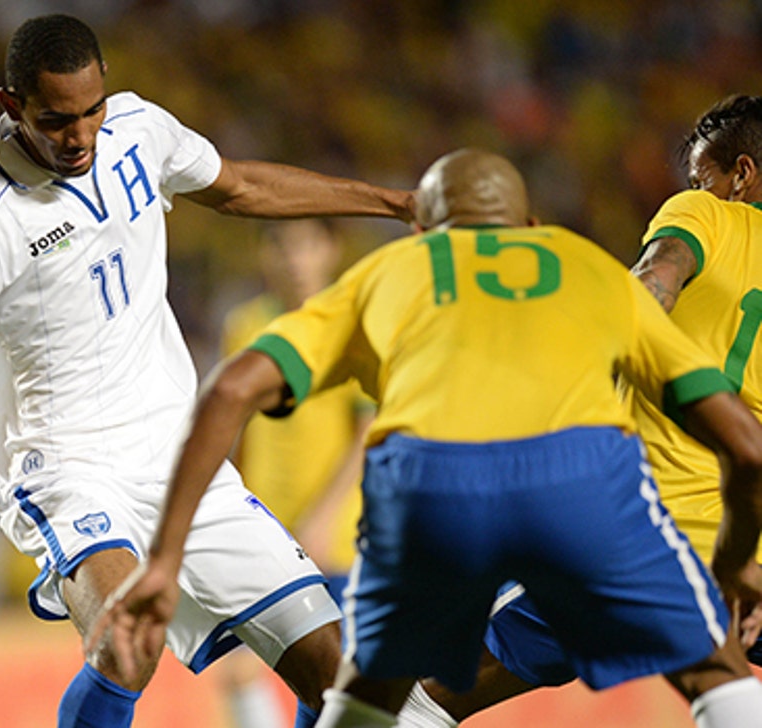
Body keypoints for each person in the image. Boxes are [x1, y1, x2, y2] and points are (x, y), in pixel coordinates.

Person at [90, 148, 762, 728]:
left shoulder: (389, 275)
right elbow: (745, 446)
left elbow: (232, 390)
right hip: (584, 489)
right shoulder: (591, 271)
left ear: (423, 229)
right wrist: (732, 564)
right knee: (715, 666)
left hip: (432, 498)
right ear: (530, 226)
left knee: (381, 697)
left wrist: (167, 557)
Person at [0, 13, 414, 728]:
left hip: (174, 456)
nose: (79, 136)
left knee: (339, 678)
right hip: (63, 463)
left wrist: (392, 203)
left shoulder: (138, 131)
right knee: (125, 641)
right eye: (56, 121)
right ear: (11, 105)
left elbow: (238, 187)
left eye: (91, 111)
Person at [408, 93, 762, 727]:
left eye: (700, 176)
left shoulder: (712, 216)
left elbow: (653, 281)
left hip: (641, 527)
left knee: (429, 690)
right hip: (745, 549)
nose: (693, 189)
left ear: (741, 175)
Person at [216, 219, 374, 728]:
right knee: (241, 671)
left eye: (307, 245)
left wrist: (325, 518)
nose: (294, 259)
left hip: (336, 536)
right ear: (263, 254)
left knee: (335, 687)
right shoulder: (245, 325)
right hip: (264, 527)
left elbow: (368, 432)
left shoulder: (353, 323)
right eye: (282, 246)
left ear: (331, 249)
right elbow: (238, 428)